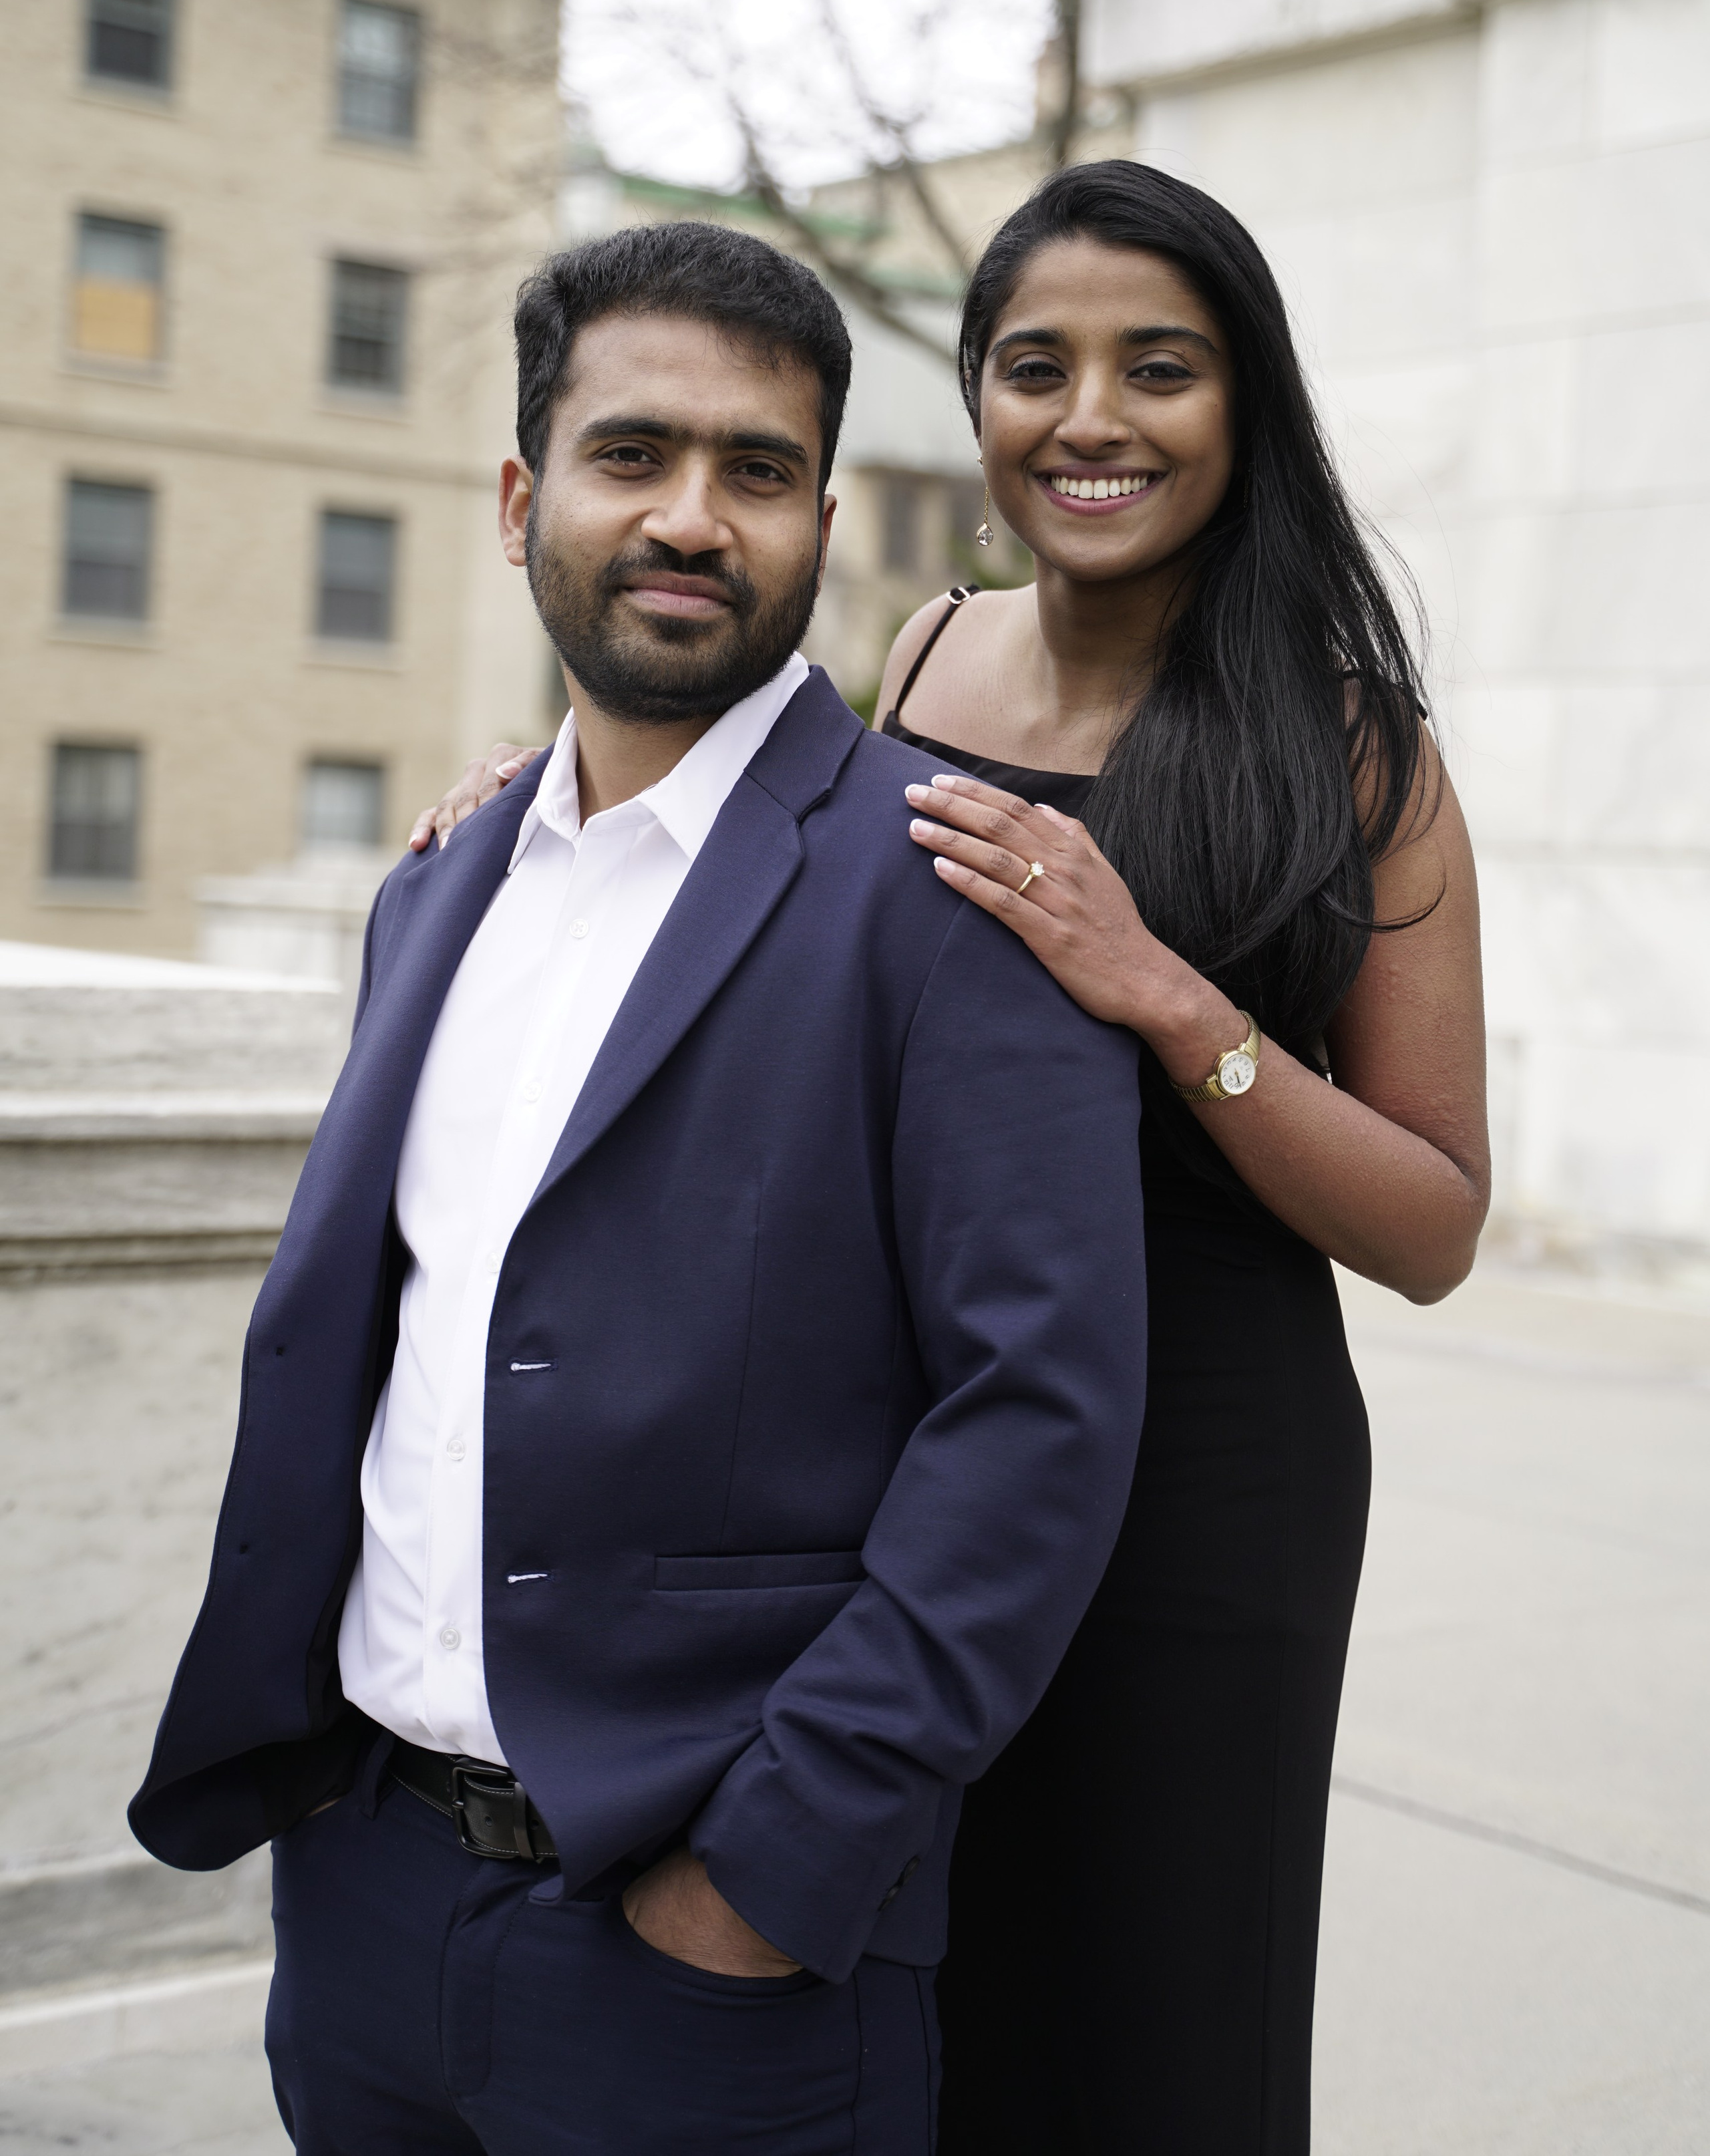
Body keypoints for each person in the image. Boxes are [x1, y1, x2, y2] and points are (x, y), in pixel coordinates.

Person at [423, 162, 1490, 2155]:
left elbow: (1434, 1222)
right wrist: (539, 793)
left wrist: (1170, 999)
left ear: (1241, 402)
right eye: (1036, 366)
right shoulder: (919, 656)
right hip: (908, 1457)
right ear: (981, 405)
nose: (1092, 417)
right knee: (903, 1987)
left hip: (1197, 1481)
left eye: (1156, 368)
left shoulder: (1356, 749)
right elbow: (752, 831)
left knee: (1151, 2023)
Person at [128, 221, 1152, 2156]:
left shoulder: (959, 902)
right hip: (362, 1902)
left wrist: (769, 1878)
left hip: (706, 1962)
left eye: (755, 472)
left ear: (824, 520)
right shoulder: (440, 883)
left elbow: (1042, 1422)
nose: (693, 517)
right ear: (525, 498)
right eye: (633, 456)